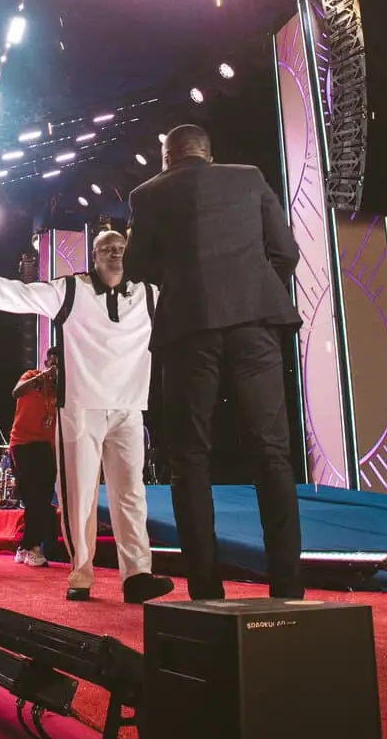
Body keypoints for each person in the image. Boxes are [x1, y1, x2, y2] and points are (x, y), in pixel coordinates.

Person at [124, 123, 305, 600]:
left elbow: (137, 267)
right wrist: (252, 289)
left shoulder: (147, 194)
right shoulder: (249, 177)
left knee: (189, 458)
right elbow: (286, 252)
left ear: (167, 156)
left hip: (189, 328)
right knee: (271, 453)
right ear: (208, 152)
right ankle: (288, 587)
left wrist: (184, 277)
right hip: (256, 324)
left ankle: (205, 591)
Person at [0, 232, 173, 602]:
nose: (115, 253)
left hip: (129, 407)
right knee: (78, 495)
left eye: (121, 248)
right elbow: (21, 295)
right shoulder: (71, 290)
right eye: (106, 248)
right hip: (81, 407)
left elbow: (190, 307)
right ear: (94, 257)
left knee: (132, 495)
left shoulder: (149, 295)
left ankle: (137, 576)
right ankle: (81, 573)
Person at [7, 348, 60, 568]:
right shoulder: (31, 376)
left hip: (47, 447)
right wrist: (43, 376)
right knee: (34, 497)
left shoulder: (59, 389)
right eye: (52, 363)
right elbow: (16, 392)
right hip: (23, 444)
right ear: (46, 362)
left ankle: (25, 546)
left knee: (43, 499)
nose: (55, 368)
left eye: (59, 365)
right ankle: (33, 547)